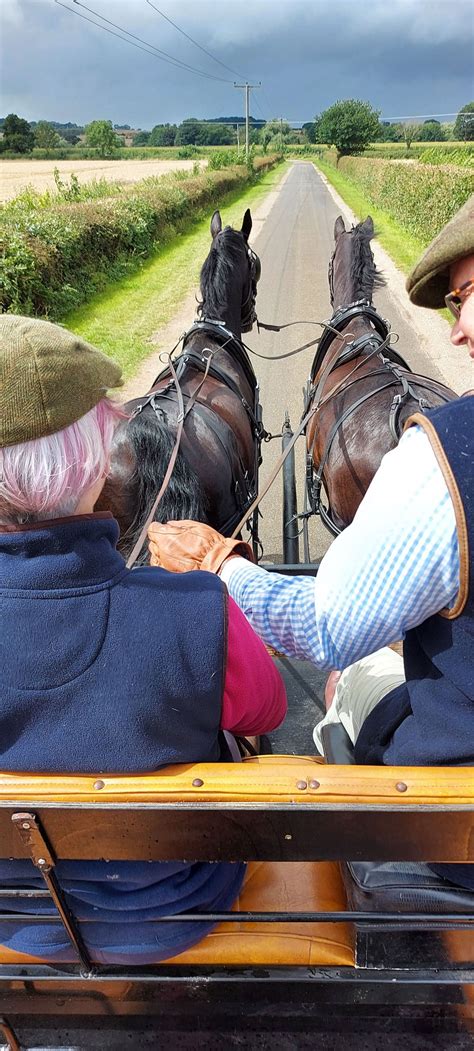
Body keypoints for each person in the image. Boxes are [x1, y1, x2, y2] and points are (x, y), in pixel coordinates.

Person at [148, 195, 474, 891]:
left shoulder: (445, 460)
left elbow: (323, 625)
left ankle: (355, 860)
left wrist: (218, 560)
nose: (459, 331)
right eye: (453, 304)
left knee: (351, 674)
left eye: (469, 295)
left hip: (457, 829)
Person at [0, 314, 286, 964]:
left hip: (16, 917)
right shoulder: (196, 612)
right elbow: (267, 709)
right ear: (97, 459)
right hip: (181, 905)